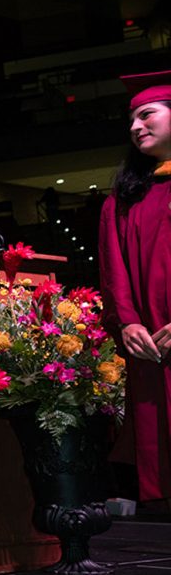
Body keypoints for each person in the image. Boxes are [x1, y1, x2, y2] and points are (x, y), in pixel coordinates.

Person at [98, 69, 171, 505]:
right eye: (131, 120)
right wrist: (125, 323)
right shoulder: (125, 199)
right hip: (151, 346)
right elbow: (114, 272)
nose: (135, 127)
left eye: (147, 115)